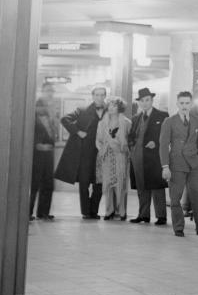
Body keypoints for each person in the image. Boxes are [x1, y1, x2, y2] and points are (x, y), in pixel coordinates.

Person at [159, 91, 198, 237]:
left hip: (195, 165)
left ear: (191, 104)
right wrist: (165, 166)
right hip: (176, 164)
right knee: (175, 198)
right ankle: (178, 227)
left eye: (187, 103)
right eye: (181, 103)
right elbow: (163, 145)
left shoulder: (197, 120)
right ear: (177, 104)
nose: (184, 106)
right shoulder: (169, 121)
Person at [55, 86, 107, 219]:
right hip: (85, 153)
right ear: (93, 96)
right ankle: (86, 212)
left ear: (105, 96)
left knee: (99, 183)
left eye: (102, 95)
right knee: (84, 183)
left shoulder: (109, 111)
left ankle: (94, 211)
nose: (100, 98)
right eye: (97, 95)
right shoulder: (82, 110)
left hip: (102, 153)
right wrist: (78, 132)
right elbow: (64, 119)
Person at [128, 87, 169, 225]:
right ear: (139, 102)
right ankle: (143, 215)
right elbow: (131, 137)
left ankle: (161, 216)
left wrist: (156, 142)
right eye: (142, 101)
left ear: (152, 100)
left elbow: (168, 135)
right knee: (141, 186)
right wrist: (131, 148)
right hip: (138, 157)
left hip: (155, 158)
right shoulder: (135, 118)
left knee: (157, 187)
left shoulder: (162, 116)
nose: (144, 103)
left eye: (147, 100)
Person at [97, 96, 132, 220]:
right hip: (107, 157)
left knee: (121, 185)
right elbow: (98, 141)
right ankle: (109, 211)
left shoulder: (127, 123)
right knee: (107, 185)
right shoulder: (102, 123)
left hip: (121, 156)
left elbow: (131, 141)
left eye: (114, 105)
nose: (111, 108)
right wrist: (103, 149)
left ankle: (121, 211)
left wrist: (122, 148)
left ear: (119, 107)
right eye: (110, 105)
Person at [30, 84, 58, 221]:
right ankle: (28, 212)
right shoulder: (34, 107)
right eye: (48, 91)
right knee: (34, 183)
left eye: (52, 91)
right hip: (37, 153)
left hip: (49, 152)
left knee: (48, 183)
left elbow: (51, 130)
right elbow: (29, 129)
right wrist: (36, 144)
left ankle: (43, 213)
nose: (50, 94)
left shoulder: (50, 110)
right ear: (42, 92)